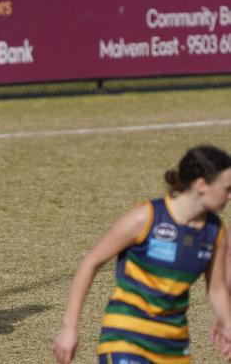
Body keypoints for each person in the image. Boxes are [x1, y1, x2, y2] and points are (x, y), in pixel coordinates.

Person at [52, 145, 231, 363]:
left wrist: (228, 323)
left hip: (173, 345)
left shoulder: (215, 231)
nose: (230, 196)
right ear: (202, 185)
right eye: (227, 189)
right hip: (126, 338)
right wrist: (69, 327)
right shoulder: (145, 218)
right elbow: (91, 262)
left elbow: (217, 287)